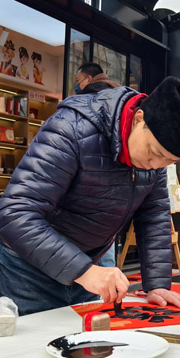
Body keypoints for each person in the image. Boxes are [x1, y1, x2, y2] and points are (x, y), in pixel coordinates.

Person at [0, 76, 180, 315]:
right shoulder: (71, 129)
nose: (155, 165)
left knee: (83, 346)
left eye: (169, 161)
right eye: (153, 151)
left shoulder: (156, 163)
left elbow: (154, 218)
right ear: (139, 118)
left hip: (87, 267)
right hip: (27, 270)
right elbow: (15, 213)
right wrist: (85, 271)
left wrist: (158, 285)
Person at [74, 62, 120, 268]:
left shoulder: (86, 100)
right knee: (105, 236)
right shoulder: (120, 95)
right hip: (115, 181)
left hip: (88, 178)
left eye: (79, 81)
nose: (78, 85)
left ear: (89, 80)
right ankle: (106, 282)